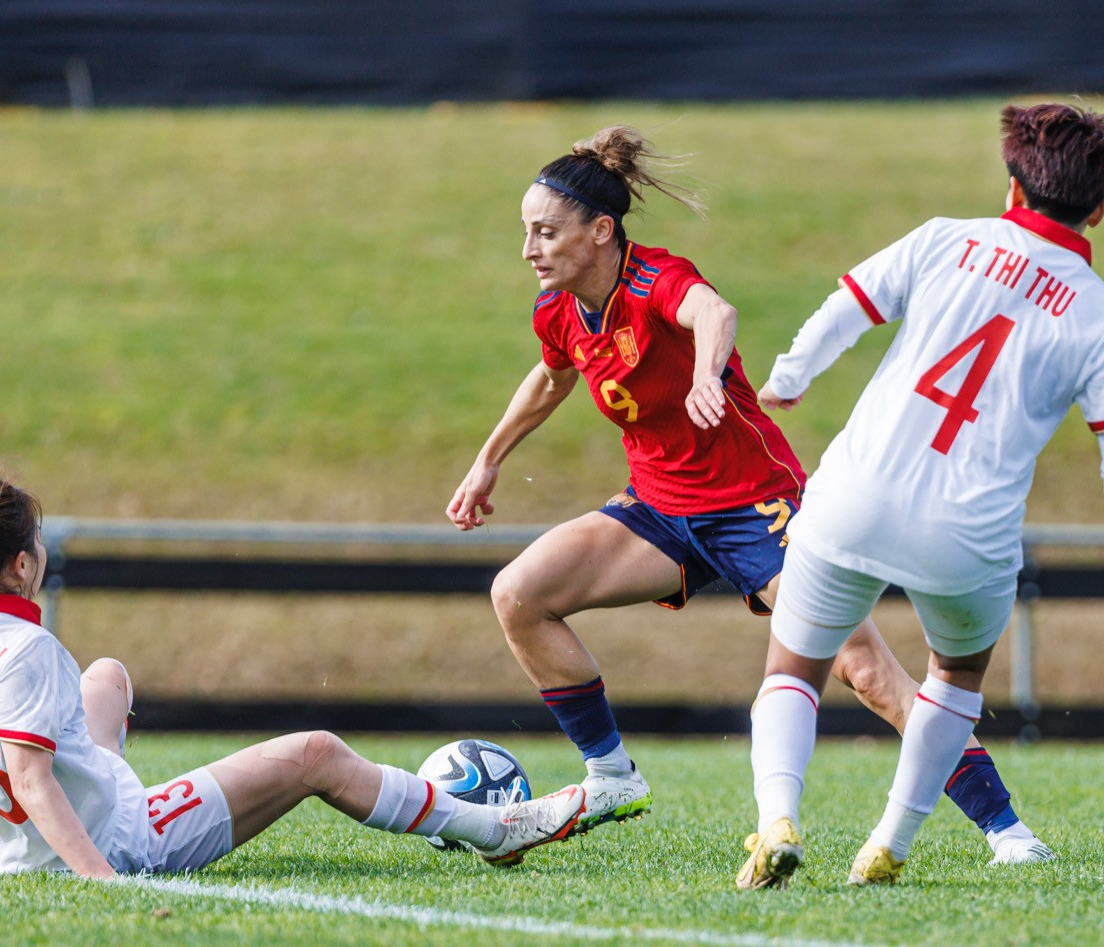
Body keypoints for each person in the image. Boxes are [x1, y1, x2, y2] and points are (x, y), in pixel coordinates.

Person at [447, 127, 1048, 862]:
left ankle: (1008, 830)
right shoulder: (560, 309)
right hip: (660, 511)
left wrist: (707, 372)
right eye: (526, 232)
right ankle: (610, 777)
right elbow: (552, 376)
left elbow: (714, 312)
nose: (529, 249)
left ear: (601, 231)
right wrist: (487, 461)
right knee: (519, 594)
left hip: (756, 505)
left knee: (865, 670)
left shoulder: (653, 278)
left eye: (545, 231)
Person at [739, 102, 1104, 890]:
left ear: (1011, 186)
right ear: (1098, 207)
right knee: (955, 678)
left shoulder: (946, 238)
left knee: (792, 668)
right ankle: (887, 844)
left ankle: (777, 819)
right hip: (966, 536)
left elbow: (845, 313)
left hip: (855, 494)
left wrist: (788, 378)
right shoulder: (1103, 318)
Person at [0, 469, 584, 876]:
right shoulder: (27, 651)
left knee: (106, 675)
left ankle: (116, 789)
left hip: (2, 848)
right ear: (20, 564)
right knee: (314, 751)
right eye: (37, 541)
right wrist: (102, 879)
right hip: (116, 838)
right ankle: (493, 828)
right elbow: (31, 778)